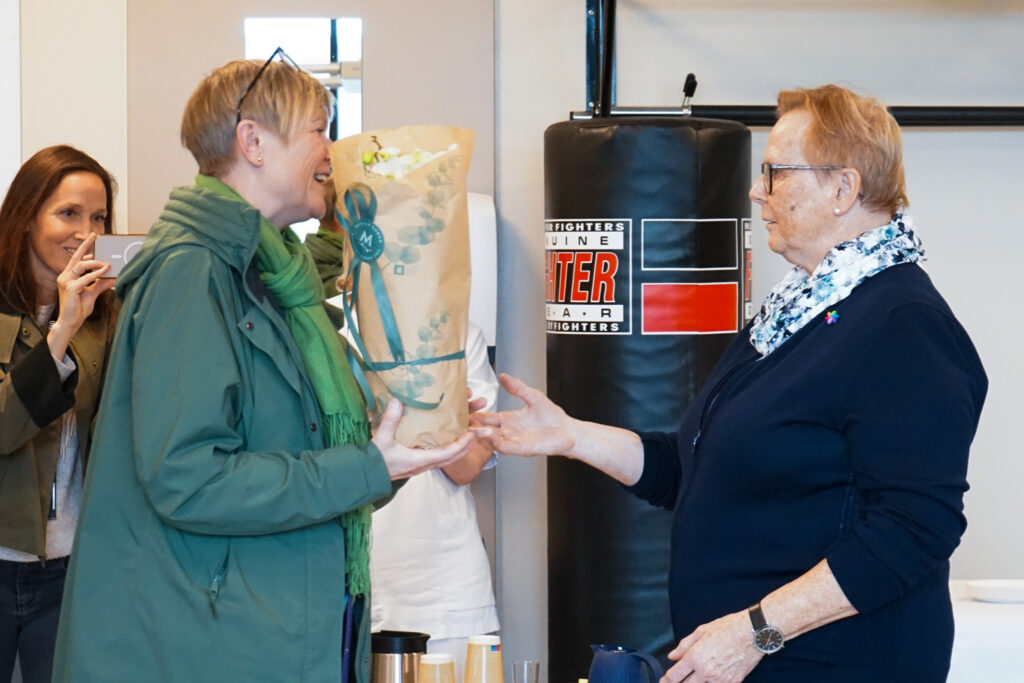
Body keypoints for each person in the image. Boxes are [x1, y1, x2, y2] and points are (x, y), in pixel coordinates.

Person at [471, 84, 987, 682]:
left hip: (838, 664)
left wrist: (756, 631)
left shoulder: (902, 324)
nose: (754, 190)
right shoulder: (799, 311)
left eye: (776, 173)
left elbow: (913, 529)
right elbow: (695, 465)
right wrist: (568, 436)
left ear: (844, 188)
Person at [52, 52, 473, 683]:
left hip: (266, 627)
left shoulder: (276, 279)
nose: (330, 149)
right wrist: (363, 467)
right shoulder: (191, 272)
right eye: (317, 127)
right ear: (253, 141)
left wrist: (402, 455)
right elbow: (188, 479)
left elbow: (299, 455)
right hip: (209, 640)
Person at [306, 212, 499, 678]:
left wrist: (422, 371)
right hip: (340, 583)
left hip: (444, 588)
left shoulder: (455, 338)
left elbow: (469, 463)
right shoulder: (319, 332)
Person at [0, 145, 117, 683]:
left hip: (72, 568)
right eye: (68, 213)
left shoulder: (109, 315)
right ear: (26, 217)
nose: (85, 233)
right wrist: (63, 327)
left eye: (98, 218)